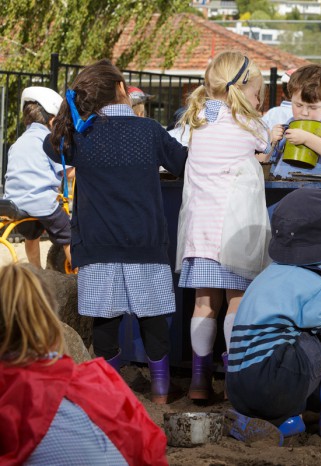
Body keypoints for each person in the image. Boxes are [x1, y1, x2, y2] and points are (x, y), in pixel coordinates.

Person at [44, 59, 188, 404]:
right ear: (122, 89)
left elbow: (51, 147)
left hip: (97, 245)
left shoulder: (81, 136)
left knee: (104, 321)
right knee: (153, 318)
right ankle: (161, 392)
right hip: (144, 242)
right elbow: (184, 162)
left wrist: (70, 118)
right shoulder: (149, 130)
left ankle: (109, 394)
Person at [226, 187, 321, 444]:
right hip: (274, 385)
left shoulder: (265, 278)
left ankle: (269, 418)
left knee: (298, 338)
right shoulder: (311, 283)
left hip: (238, 388)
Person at [0, 263, 167, 465]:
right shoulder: (98, 380)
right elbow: (149, 448)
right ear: (51, 318)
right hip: (143, 252)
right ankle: (162, 389)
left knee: (107, 318)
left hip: (99, 251)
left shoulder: (11, 391)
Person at [176, 50, 272, 401]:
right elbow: (268, 148)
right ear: (243, 90)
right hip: (233, 234)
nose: (259, 100)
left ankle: (199, 381)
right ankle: (235, 380)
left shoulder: (196, 119)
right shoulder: (250, 125)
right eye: (258, 92)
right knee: (238, 302)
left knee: (204, 304)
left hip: (200, 233)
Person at [2, 86, 73, 269]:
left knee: (31, 238)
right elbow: (69, 172)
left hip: (16, 204)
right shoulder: (49, 140)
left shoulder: (17, 143)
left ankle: (36, 273)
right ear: (52, 119)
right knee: (69, 236)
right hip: (42, 204)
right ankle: (79, 278)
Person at [269, 64, 321, 178]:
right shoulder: (285, 129)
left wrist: (307, 139)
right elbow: (263, 161)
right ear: (290, 98)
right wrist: (271, 142)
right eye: (298, 105)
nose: (304, 112)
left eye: (312, 107)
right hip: (280, 188)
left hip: (312, 190)